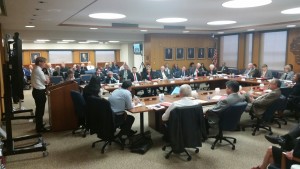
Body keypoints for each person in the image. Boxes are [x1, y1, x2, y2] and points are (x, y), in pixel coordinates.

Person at [31, 57, 50, 132]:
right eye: (44, 62)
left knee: (39, 110)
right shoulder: (38, 70)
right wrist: (47, 80)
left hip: (37, 91)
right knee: (40, 110)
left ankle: (39, 125)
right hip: (39, 92)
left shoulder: (36, 69)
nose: (45, 64)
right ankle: (39, 128)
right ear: (39, 62)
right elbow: (46, 81)